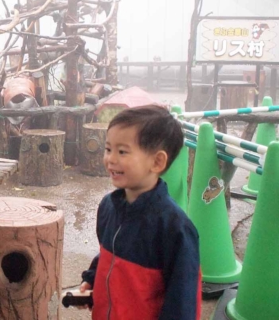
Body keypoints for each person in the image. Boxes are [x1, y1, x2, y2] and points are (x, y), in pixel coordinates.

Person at [79, 105, 201, 319]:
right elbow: (111, 254)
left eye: (122, 151)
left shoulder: (175, 228)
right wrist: (92, 276)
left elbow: (182, 301)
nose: (111, 159)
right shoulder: (108, 206)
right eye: (108, 149)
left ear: (157, 161)